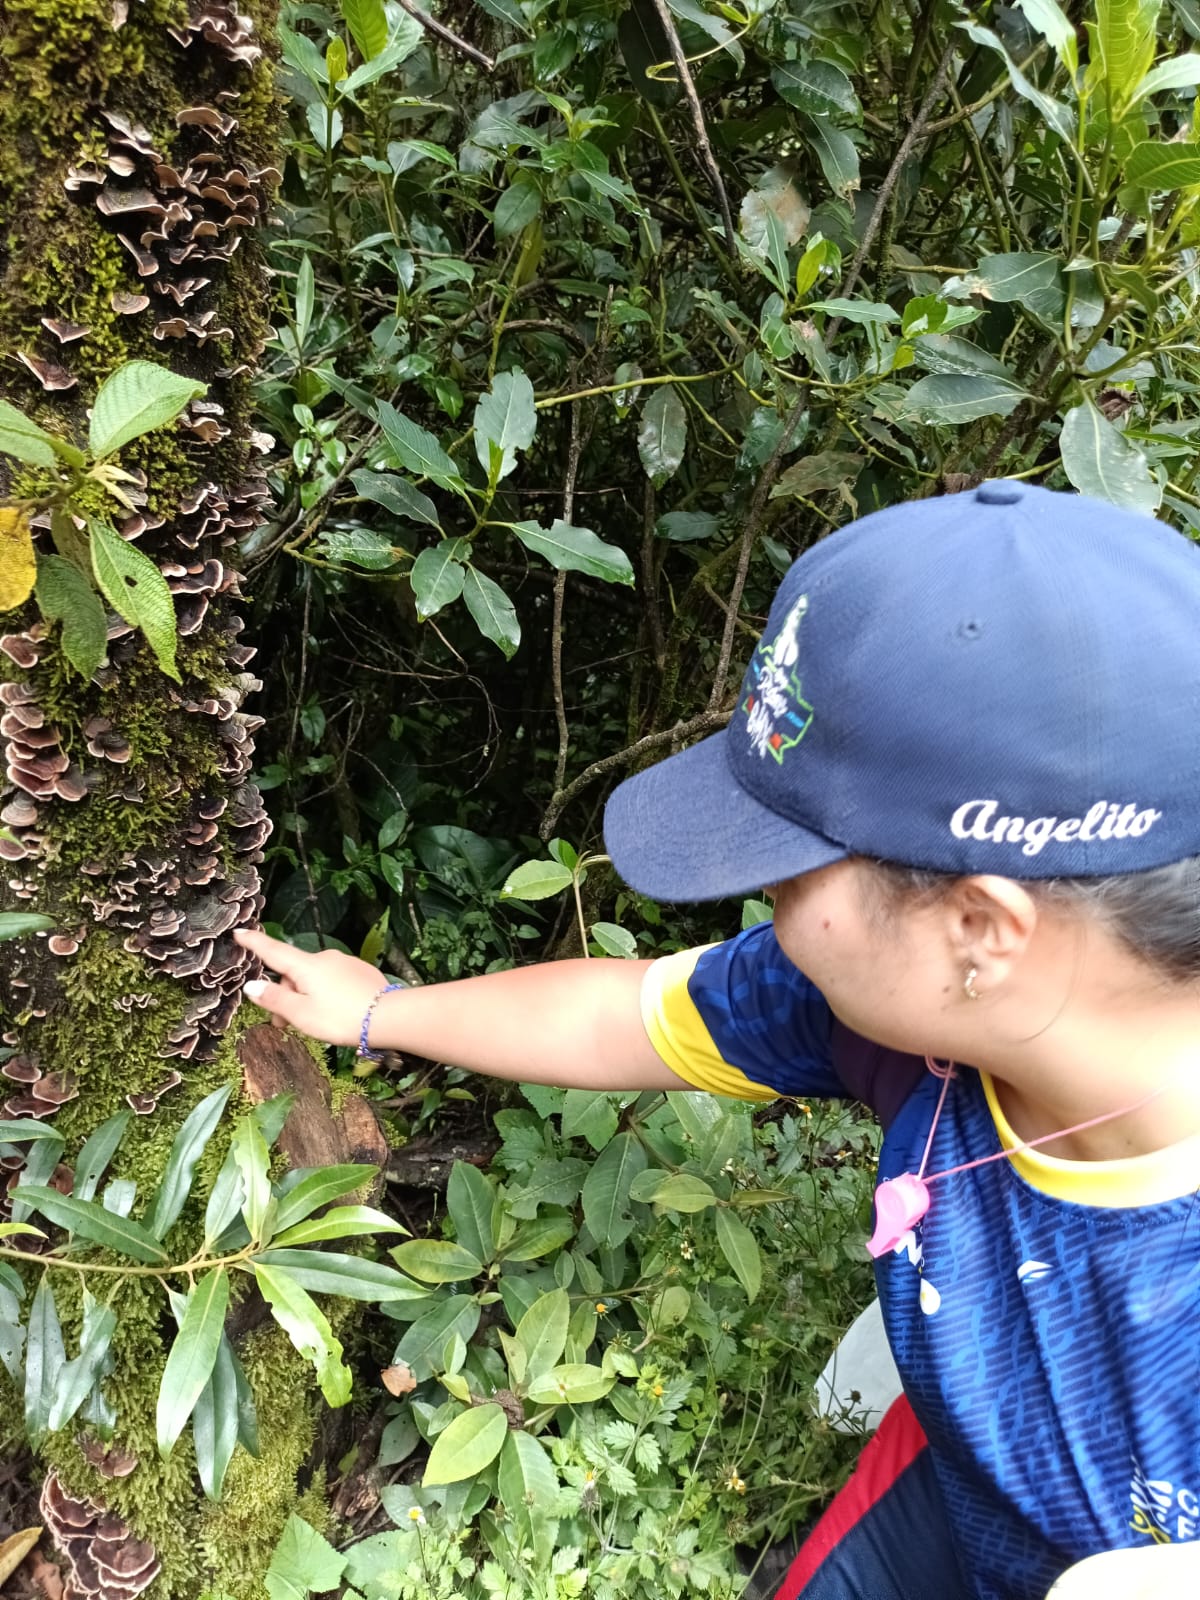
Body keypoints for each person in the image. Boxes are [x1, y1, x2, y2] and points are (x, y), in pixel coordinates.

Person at [237, 482, 1200, 1600]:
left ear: (981, 930)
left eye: (789, 872)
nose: (763, 903)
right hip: (951, 1487)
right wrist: (378, 1010)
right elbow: (625, 1013)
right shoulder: (906, 1022)